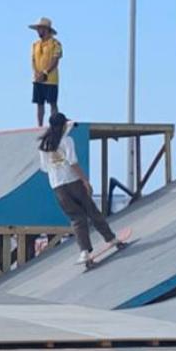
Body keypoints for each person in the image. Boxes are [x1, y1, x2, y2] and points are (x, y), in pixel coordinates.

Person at [38, 112, 126, 264]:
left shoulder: (44, 145)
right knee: (91, 211)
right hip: (73, 181)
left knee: (76, 218)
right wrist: (85, 181)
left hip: (58, 187)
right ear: (63, 125)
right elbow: (73, 163)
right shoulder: (67, 141)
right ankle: (111, 239)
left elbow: (45, 168)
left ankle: (84, 252)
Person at [29, 17, 62, 127]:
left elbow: (55, 60)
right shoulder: (35, 45)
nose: (39, 31)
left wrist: (46, 72)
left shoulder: (55, 43)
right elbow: (33, 60)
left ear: (47, 30)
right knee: (39, 103)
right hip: (38, 78)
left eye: (41, 28)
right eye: (38, 29)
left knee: (52, 103)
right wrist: (37, 73)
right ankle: (39, 126)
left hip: (51, 79)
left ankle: (55, 124)